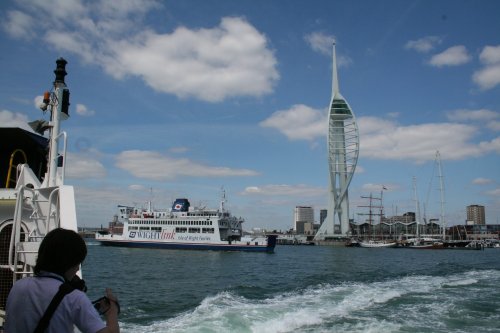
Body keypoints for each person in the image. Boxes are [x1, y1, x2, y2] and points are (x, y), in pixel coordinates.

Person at [4, 228, 120, 333]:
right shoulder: (74, 298)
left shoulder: (18, 287)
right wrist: (112, 312)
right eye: (78, 263)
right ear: (72, 263)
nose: (78, 268)